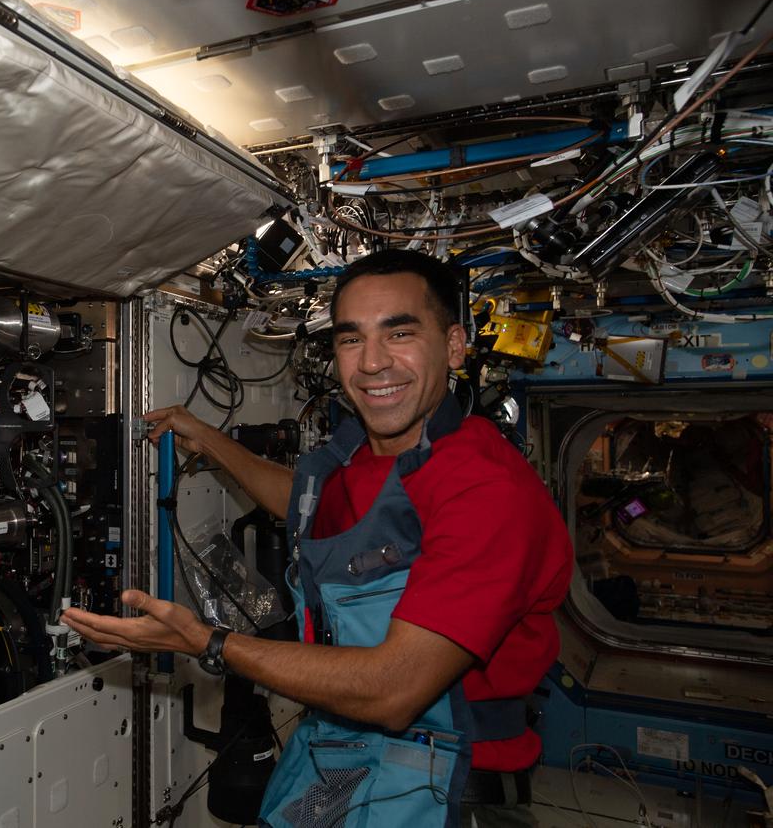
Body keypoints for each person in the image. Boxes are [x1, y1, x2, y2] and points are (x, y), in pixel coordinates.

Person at [62, 249, 574, 828]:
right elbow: (306, 505)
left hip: (443, 789)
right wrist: (205, 436)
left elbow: (393, 691)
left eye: (399, 332)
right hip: (343, 759)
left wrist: (206, 642)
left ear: (454, 346)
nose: (373, 363)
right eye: (351, 340)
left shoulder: (485, 487)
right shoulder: (364, 457)